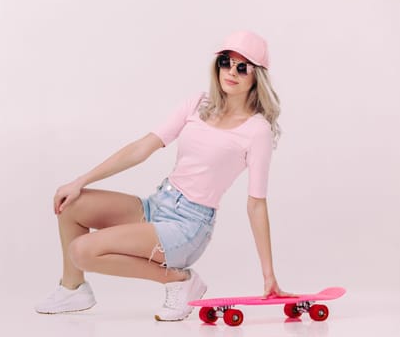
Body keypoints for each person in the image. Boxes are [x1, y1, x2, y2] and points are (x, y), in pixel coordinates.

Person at [35, 30, 290, 321]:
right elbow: (143, 147)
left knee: (81, 251)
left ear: (257, 76)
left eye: (242, 67)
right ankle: (73, 288)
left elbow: (256, 204)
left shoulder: (257, 131)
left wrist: (269, 276)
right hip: (157, 205)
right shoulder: (199, 104)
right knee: (71, 204)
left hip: (188, 227)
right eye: (225, 62)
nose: (231, 71)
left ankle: (178, 281)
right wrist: (81, 181)